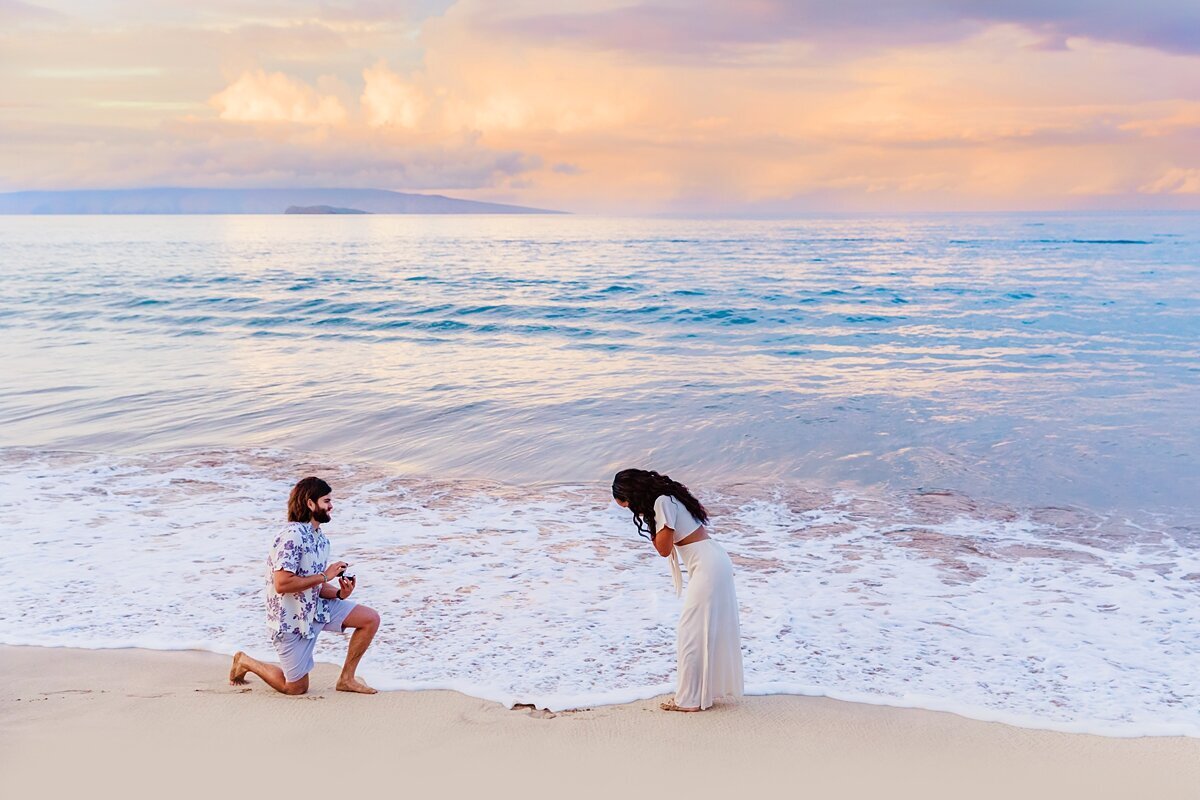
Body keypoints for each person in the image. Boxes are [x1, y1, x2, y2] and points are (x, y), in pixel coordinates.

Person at [229, 476, 381, 695]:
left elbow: (316, 586)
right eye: (326, 501)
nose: (331, 506)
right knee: (296, 688)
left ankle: (346, 679)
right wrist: (324, 575)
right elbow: (282, 584)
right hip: (290, 620)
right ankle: (245, 661)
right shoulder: (291, 536)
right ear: (310, 504)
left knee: (370, 618)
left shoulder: (321, 539)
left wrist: (339, 593)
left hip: (316, 609)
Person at [612, 468, 744, 712]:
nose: (631, 510)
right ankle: (702, 694)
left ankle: (689, 700)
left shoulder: (661, 503)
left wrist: (648, 518)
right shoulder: (670, 497)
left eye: (628, 504)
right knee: (702, 629)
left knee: (690, 632)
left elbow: (663, 548)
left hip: (708, 565)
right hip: (712, 558)